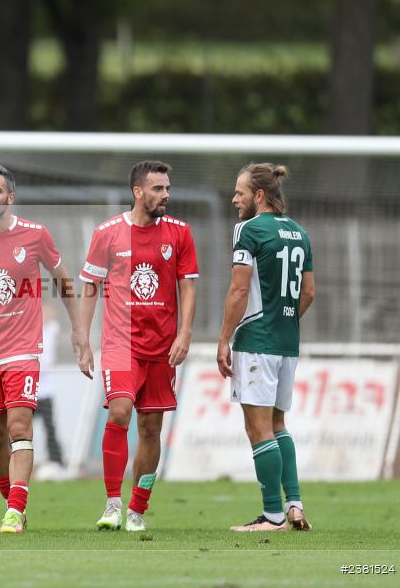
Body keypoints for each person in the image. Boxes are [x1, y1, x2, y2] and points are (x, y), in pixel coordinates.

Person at [0, 163, 88, 534]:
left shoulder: (35, 235)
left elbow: (64, 281)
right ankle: (12, 503)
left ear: (10, 197)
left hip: (23, 350)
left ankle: (15, 510)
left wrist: (78, 330)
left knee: (17, 425)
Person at [78, 160, 198, 532]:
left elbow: (188, 287)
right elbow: (90, 287)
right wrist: (82, 337)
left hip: (162, 347)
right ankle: (112, 503)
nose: (165, 195)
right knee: (120, 412)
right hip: (120, 343)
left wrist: (185, 333)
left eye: (167, 188)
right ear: (138, 192)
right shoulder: (108, 233)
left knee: (151, 429)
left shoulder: (179, 233)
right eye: (158, 189)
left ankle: (137, 510)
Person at [216, 163, 315, 532]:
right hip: (287, 342)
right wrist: (284, 322)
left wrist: (224, 338)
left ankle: (272, 516)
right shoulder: (301, 234)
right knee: (278, 424)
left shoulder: (249, 229)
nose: (234, 199)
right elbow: (309, 293)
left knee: (258, 429)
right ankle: (294, 504)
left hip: (256, 341)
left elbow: (239, 290)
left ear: (259, 195)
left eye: (239, 192)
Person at [34, 303, 67, 481]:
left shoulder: (52, 329)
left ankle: (58, 463)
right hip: (29, 390)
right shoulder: (32, 330)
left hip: (46, 391)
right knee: (19, 429)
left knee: (50, 428)